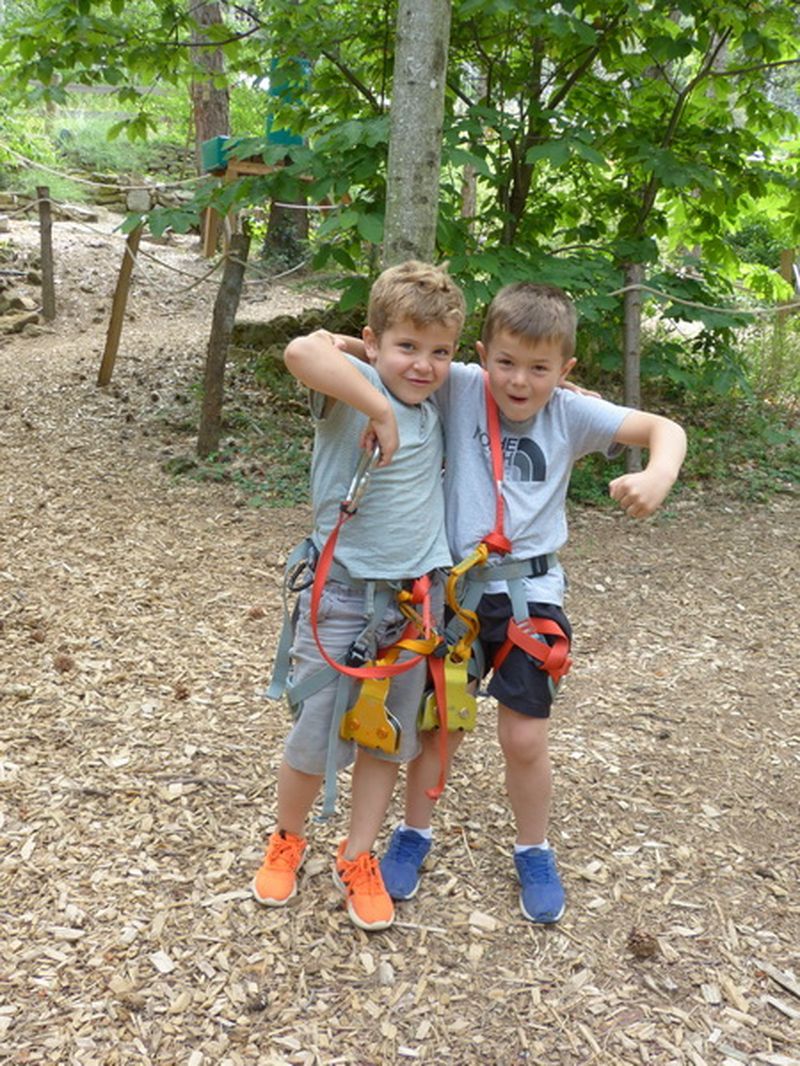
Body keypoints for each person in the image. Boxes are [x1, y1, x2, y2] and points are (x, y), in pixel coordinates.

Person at [380, 281, 687, 923]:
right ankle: (414, 833)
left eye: (540, 369)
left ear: (566, 370)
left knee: (524, 737)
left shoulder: (571, 413)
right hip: (457, 596)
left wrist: (657, 473)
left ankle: (533, 847)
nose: (520, 381)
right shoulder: (461, 385)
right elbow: (377, 357)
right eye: (507, 363)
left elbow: (664, 428)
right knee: (441, 728)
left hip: (531, 597)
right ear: (482, 354)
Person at [252, 261, 466, 932]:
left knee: (386, 743)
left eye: (440, 352)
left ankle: (358, 855)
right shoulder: (358, 391)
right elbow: (299, 350)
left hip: (410, 608)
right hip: (340, 596)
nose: (425, 365)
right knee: (314, 739)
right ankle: (288, 837)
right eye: (408, 346)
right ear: (374, 342)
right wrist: (374, 397)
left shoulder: (434, 406)